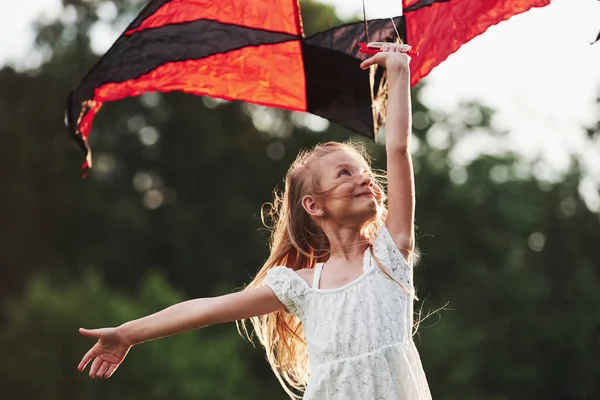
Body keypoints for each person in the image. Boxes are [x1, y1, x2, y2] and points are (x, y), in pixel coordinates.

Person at [77, 44, 432, 399]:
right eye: (345, 173)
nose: (365, 179)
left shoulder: (389, 256)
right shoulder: (303, 286)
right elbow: (209, 309)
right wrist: (128, 334)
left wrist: (398, 71)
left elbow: (398, 149)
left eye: (365, 172)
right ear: (314, 205)